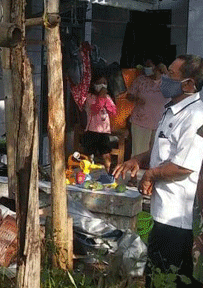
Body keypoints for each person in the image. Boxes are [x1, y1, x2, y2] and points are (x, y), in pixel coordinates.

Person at [114, 54, 203, 288]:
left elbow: (184, 166)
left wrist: (151, 174)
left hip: (176, 219)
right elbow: (160, 151)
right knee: (155, 276)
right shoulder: (171, 109)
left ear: (189, 84)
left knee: (169, 279)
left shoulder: (195, 117)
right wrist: (138, 160)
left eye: (171, 75)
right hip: (159, 211)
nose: (164, 79)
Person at [127, 59, 168, 156]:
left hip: (160, 123)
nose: (146, 68)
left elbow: (178, 90)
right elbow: (129, 95)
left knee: (157, 154)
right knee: (139, 152)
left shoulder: (167, 81)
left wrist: (166, 72)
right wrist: (136, 98)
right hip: (140, 121)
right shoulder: (140, 80)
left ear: (157, 67)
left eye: (149, 66)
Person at [80, 75, 117, 172]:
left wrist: (105, 99)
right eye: (100, 83)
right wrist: (101, 98)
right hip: (92, 130)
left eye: (104, 83)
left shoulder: (107, 97)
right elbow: (94, 109)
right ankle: (85, 172)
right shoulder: (90, 97)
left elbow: (113, 111)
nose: (102, 85)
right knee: (89, 153)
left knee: (105, 152)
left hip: (104, 131)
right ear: (94, 84)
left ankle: (109, 172)